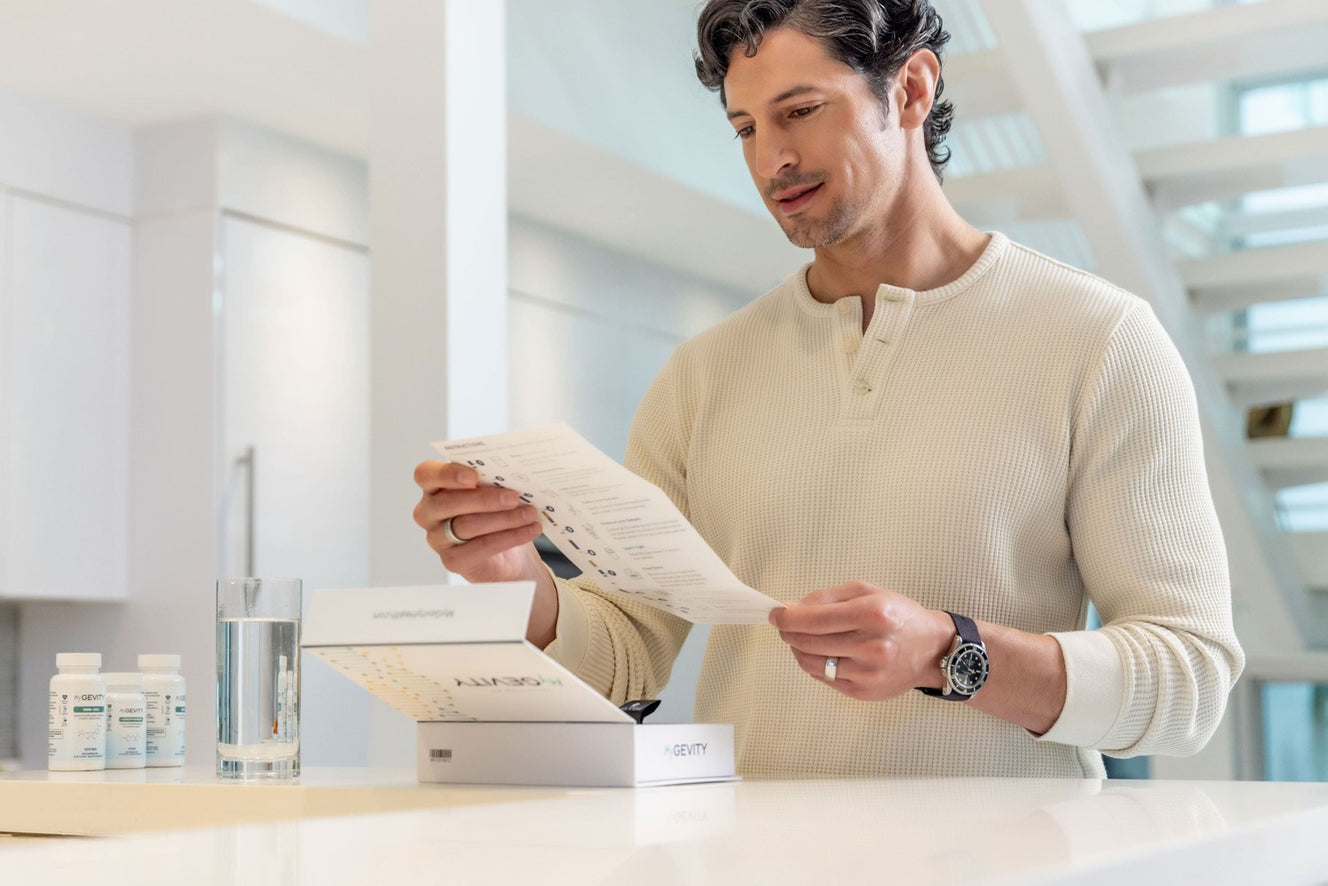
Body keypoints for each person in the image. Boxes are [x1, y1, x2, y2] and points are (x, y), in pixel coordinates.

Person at [412, 0, 1244, 778]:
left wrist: (946, 653)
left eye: (800, 111)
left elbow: (1190, 681)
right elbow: (628, 651)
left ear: (912, 88)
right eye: (745, 127)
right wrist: (514, 574)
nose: (770, 158)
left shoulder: (1099, 340)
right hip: (752, 859)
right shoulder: (702, 376)